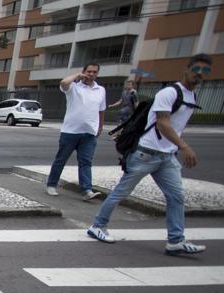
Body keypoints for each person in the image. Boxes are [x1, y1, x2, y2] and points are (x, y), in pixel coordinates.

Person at [86, 54, 210, 255]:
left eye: (204, 71)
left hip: (167, 157)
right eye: (196, 68)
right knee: (122, 192)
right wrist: (184, 146)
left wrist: (176, 147)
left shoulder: (192, 96)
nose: (199, 73)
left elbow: (177, 127)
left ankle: (175, 241)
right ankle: (97, 226)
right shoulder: (169, 93)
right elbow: (163, 122)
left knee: (177, 196)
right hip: (146, 153)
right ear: (187, 69)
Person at [46, 62, 106, 201]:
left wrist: (100, 126)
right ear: (84, 71)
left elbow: (101, 110)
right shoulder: (73, 87)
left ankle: (87, 190)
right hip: (70, 131)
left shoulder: (101, 90)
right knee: (61, 159)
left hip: (89, 132)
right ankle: (52, 184)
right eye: (89, 71)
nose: (91, 74)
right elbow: (64, 82)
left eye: (94, 72)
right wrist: (77, 76)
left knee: (85, 162)